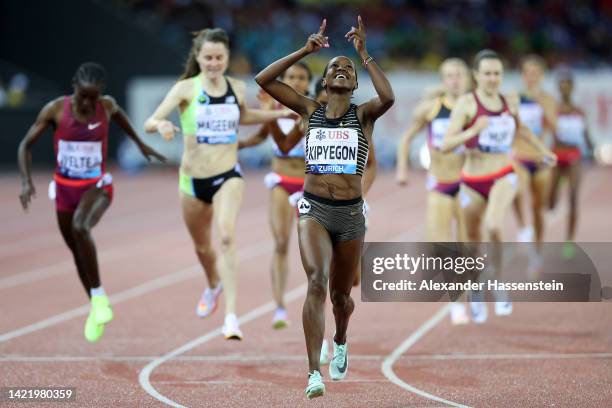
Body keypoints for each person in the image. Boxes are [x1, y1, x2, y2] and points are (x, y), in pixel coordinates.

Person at [255, 16, 394, 398]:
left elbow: (389, 96)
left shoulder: (364, 115)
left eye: (348, 69)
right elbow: (263, 81)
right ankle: (313, 373)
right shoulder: (308, 110)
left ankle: (342, 339)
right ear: (326, 80)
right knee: (316, 282)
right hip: (313, 209)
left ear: (353, 83)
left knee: (342, 297)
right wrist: (305, 50)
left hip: (350, 217)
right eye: (337, 66)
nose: (342, 70)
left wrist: (363, 54)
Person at [144, 28, 291, 340]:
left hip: (227, 175)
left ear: (227, 59)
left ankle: (231, 318)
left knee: (226, 236)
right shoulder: (185, 89)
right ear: (198, 58)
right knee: (202, 247)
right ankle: (213, 284)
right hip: (192, 181)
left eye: (219, 58)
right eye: (208, 58)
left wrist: (275, 115)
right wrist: (163, 125)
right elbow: (150, 121)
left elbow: (243, 117)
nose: (213, 63)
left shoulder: (236, 87)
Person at [18, 62, 166, 343]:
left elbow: (123, 120)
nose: (87, 102)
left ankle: (97, 300)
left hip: (96, 187)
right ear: (74, 85)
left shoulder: (107, 106)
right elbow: (25, 144)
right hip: (64, 189)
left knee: (81, 227)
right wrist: (26, 181)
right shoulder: (54, 110)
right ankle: (97, 303)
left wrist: (141, 145)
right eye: (83, 95)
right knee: (77, 251)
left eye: (93, 97)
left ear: (101, 95)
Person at [441, 49, 556, 323]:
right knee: (471, 241)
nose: (493, 78)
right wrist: (472, 131)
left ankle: (498, 282)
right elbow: (446, 143)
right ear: (477, 76)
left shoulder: (508, 101)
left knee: (493, 225)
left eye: (497, 73)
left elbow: (522, 130)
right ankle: (476, 290)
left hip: (503, 174)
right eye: (488, 73)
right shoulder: (467, 104)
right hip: (471, 181)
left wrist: (542, 151)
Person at [395, 58, 471, 324]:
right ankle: (457, 300)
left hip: (468, 183)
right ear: (442, 80)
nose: (454, 80)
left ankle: (467, 295)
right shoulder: (431, 108)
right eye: (449, 75)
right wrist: (402, 170)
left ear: (467, 78)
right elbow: (405, 139)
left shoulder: (475, 108)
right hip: (440, 182)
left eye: (458, 74)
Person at [239, 61, 313, 329]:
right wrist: (238, 144)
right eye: (291, 76)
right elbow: (261, 136)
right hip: (281, 181)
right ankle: (280, 307)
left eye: (302, 77)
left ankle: (312, 301)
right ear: (283, 80)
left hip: (308, 185)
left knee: (310, 250)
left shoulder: (312, 110)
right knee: (281, 243)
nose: (296, 81)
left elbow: (286, 142)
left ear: (308, 82)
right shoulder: (274, 110)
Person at [511, 56, 558, 274]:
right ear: (523, 75)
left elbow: (554, 127)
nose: (531, 77)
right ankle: (522, 227)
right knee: (515, 190)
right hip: (520, 156)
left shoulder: (548, 99)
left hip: (540, 159)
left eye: (535, 73)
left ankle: (536, 253)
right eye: (527, 73)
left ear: (541, 76)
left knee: (538, 209)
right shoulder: (513, 98)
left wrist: (541, 106)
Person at [548, 67, 594, 259]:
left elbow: (586, 136)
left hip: (574, 157)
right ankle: (557, 188)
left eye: (568, 85)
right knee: (550, 202)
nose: (565, 88)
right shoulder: (554, 109)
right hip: (557, 157)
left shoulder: (579, 112)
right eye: (562, 85)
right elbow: (546, 133)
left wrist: (592, 149)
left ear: (572, 87)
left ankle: (569, 240)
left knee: (574, 199)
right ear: (558, 88)